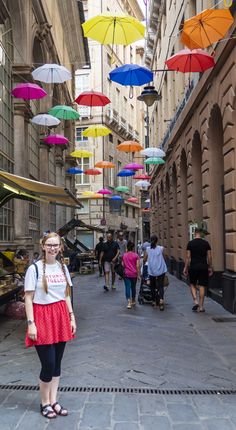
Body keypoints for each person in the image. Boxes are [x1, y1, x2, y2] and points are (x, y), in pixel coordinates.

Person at [24, 232, 76, 419]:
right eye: (49, 245)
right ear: (43, 246)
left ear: (60, 247)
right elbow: (28, 298)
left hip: (61, 315)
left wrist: (72, 317)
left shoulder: (63, 268)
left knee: (57, 364)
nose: (53, 248)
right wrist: (31, 323)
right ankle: (44, 402)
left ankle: (53, 400)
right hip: (42, 317)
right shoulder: (34, 269)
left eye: (56, 245)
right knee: (48, 363)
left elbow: (67, 295)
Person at [183, 227, 213, 313]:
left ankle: (195, 301)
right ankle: (201, 307)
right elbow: (209, 257)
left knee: (192, 284)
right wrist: (210, 267)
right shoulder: (206, 243)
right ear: (201, 233)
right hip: (203, 266)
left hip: (193, 267)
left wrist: (185, 268)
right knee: (202, 286)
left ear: (194, 233)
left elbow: (188, 257)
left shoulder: (190, 243)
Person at [143, 235, 167, 311]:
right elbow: (164, 257)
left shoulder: (147, 249)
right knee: (160, 286)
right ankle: (161, 300)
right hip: (161, 270)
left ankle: (153, 301)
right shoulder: (161, 248)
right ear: (157, 241)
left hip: (152, 271)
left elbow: (144, 259)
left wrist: (145, 262)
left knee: (152, 286)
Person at [122, 241, 140, 309]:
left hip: (127, 274)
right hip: (134, 274)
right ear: (133, 248)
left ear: (127, 247)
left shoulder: (124, 255)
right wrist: (138, 275)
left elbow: (123, 265)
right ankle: (133, 300)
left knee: (127, 287)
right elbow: (138, 266)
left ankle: (129, 302)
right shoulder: (136, 255)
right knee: (133, 287)